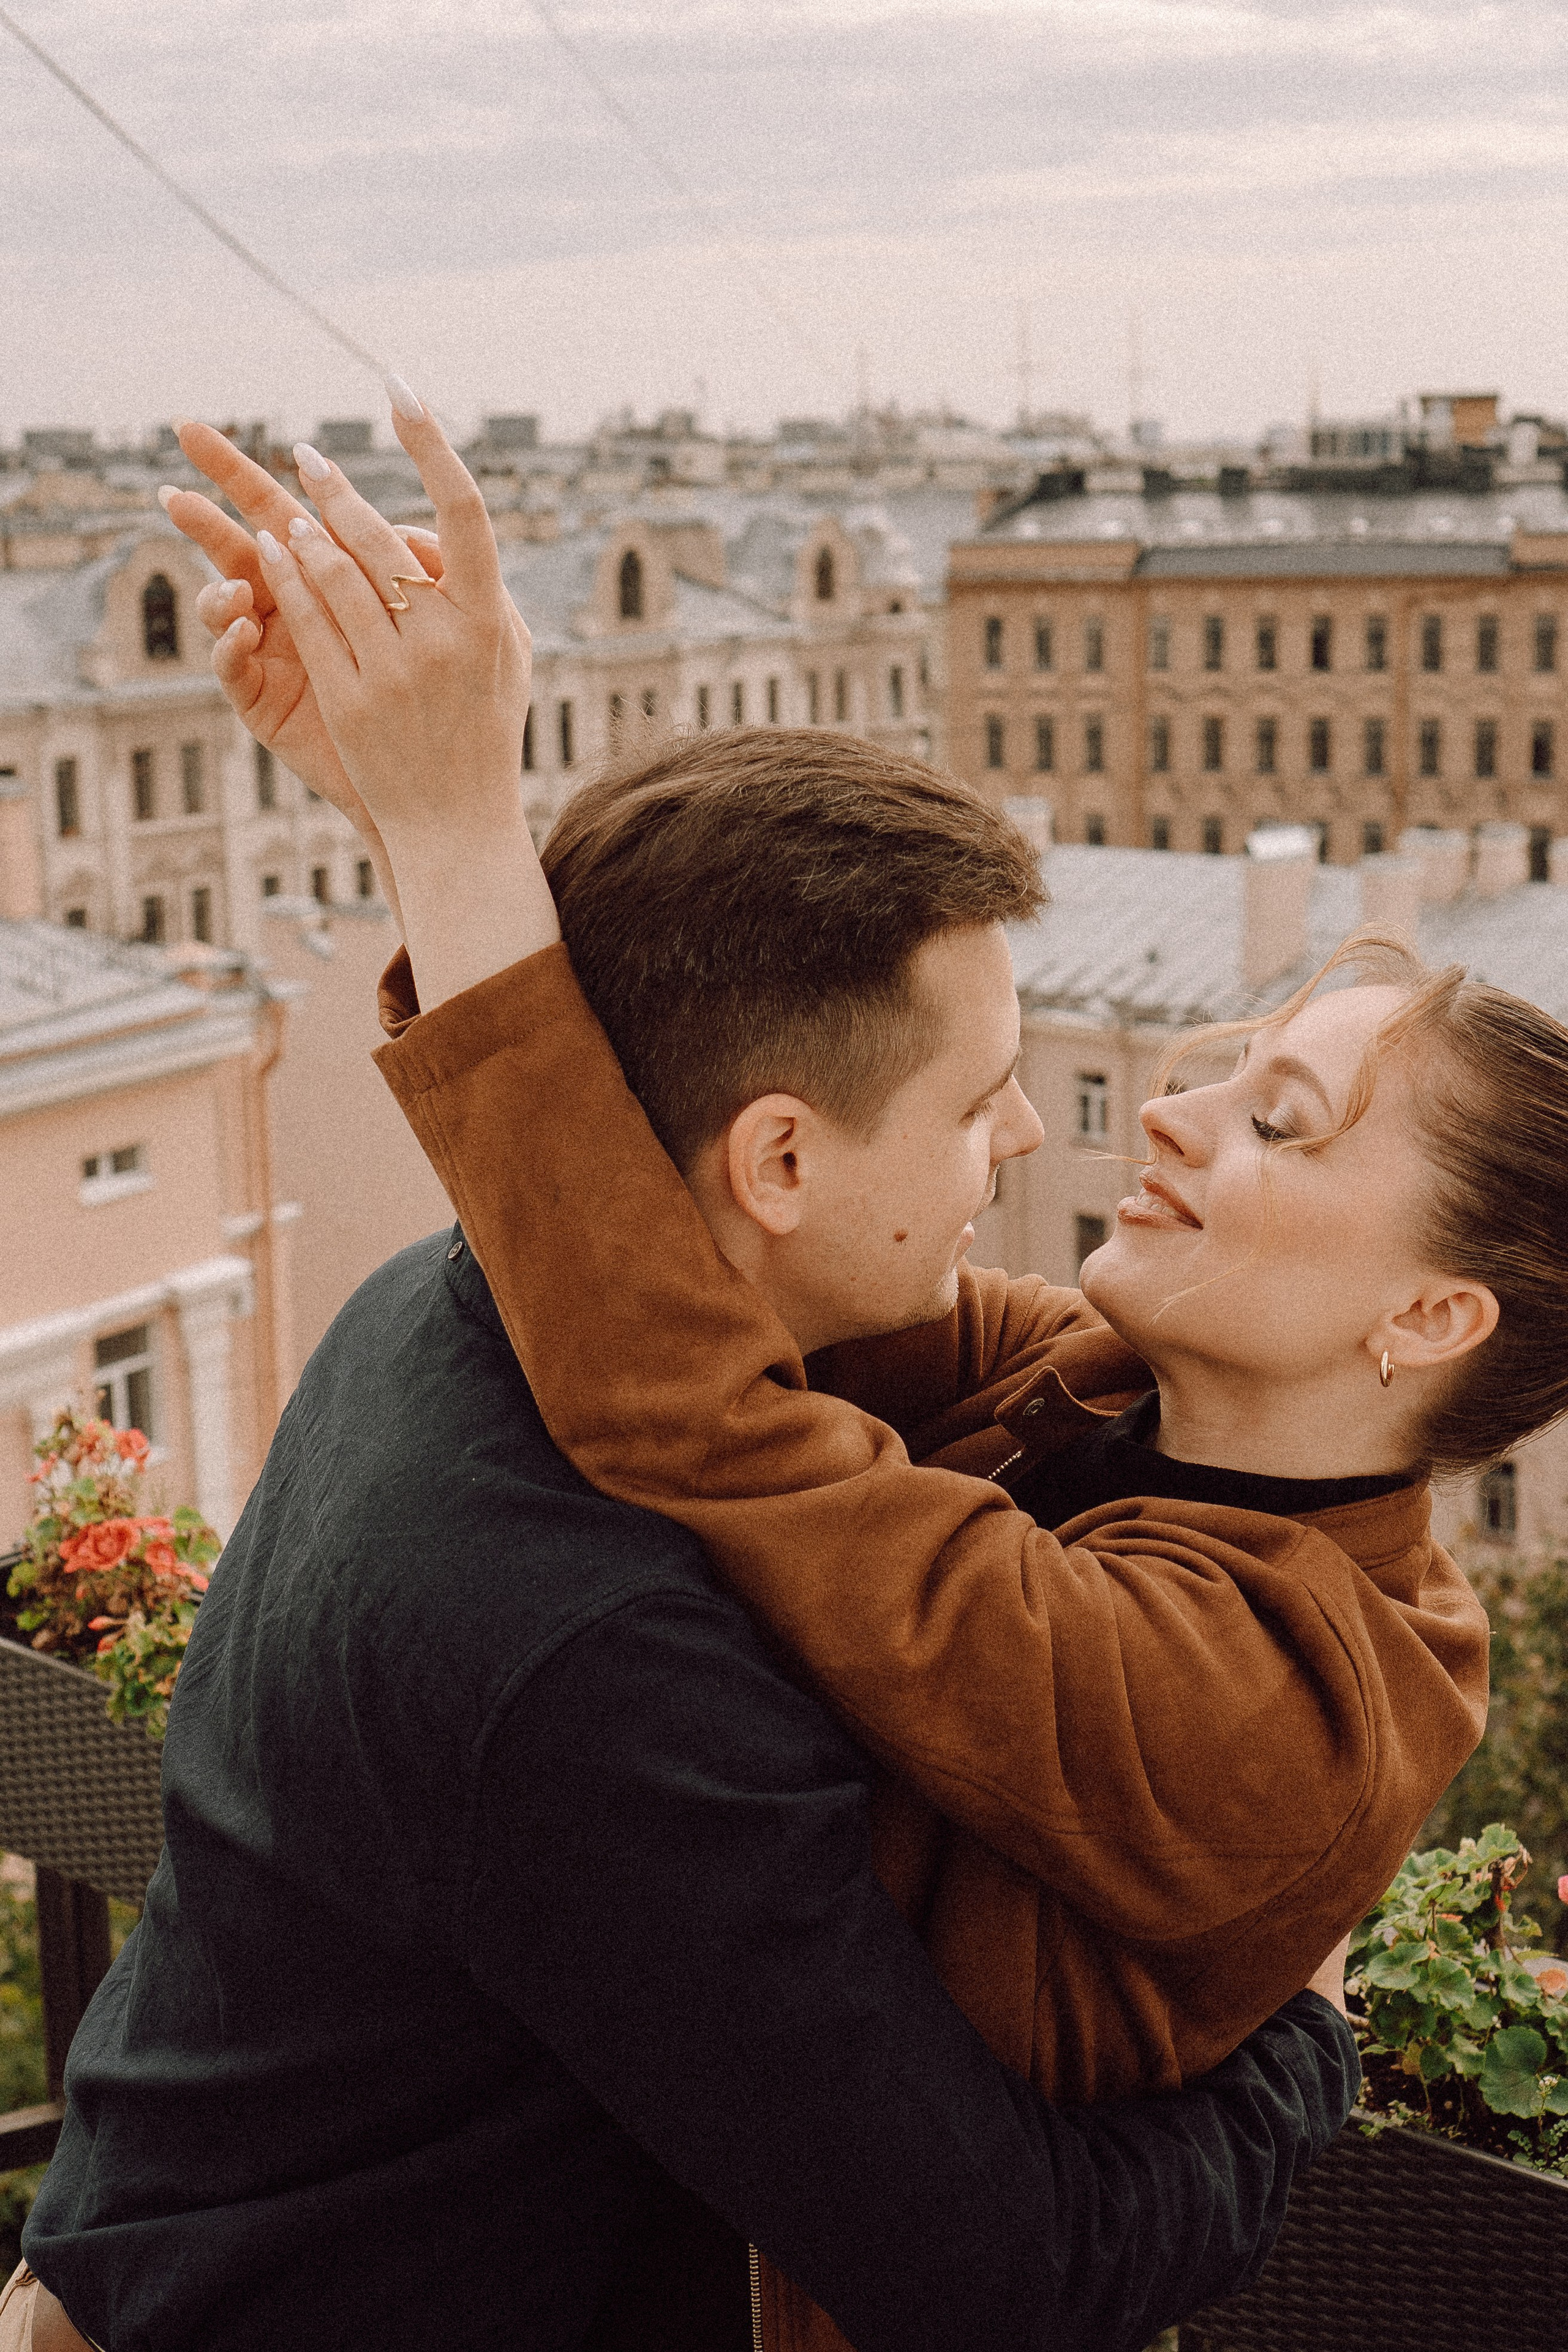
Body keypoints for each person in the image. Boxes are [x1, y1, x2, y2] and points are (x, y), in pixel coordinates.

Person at [135, 394, 1501, 2348]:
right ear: (779, 1162)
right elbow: (994, 2267)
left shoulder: (429, 1315)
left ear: (1434, 1316)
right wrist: (1306, 2034)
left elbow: (643, 1289)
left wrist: (451, 835)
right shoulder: (624, 1620)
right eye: (979, 1101)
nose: (1063, 1134)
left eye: (1284, 1121)